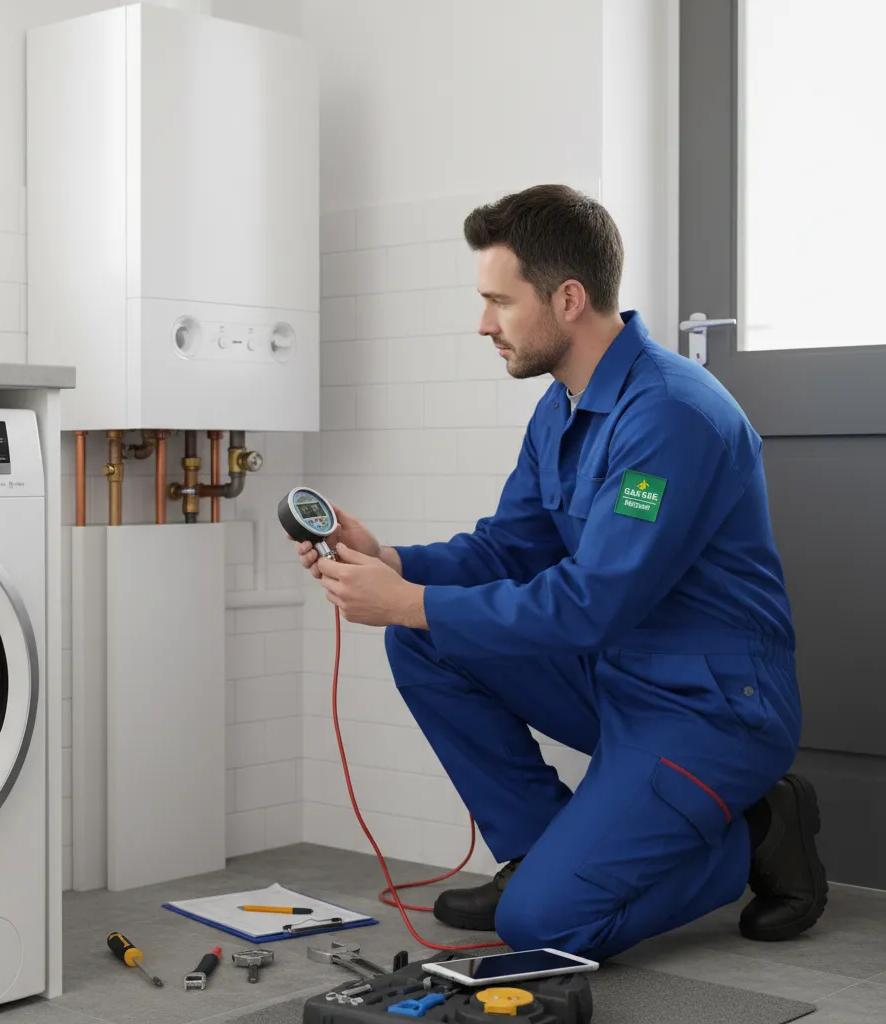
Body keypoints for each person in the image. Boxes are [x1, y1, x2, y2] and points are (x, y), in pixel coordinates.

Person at [291, 184, 828, 963]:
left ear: (568, 298)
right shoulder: (565, 404)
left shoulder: (671, 416)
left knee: (544, 929)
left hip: (708, 705)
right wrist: (394, 563)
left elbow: (593, 602)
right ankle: (538, 860)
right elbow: (510, 548)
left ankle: (751, 834)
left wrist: (410, 601)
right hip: (617, 675)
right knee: (424, 638)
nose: (483, 323)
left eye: (499, 302)